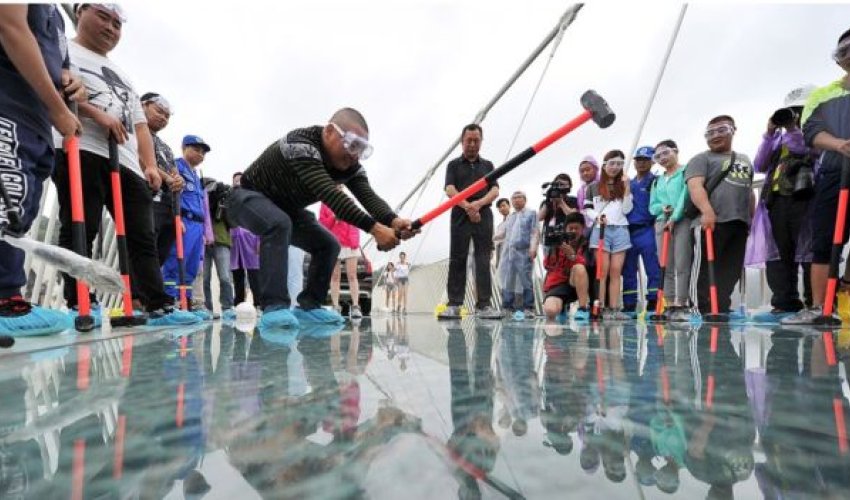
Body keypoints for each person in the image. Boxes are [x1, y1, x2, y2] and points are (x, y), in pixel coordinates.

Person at [52, 4, 198, 326]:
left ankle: (156, 302)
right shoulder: (62, 47)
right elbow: (50, 85)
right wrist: (93, 112)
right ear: (81, 13)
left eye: (117, 24)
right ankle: (78, 300)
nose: (110, 28)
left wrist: (148, 164)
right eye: (103, 18)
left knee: (141, 235)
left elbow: (140, 126)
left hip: (127, 163)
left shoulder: (124, 76)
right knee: (81, 226)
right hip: (80, 147)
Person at [226, 107, 412, 329]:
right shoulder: (300, 144)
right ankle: (274, 306)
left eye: (361, 150)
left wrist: (392, 220)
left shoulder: (349, 165)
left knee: (328, 244)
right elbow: (332, 196)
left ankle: (309, 305)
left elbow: (368, 196)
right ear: (330, 132)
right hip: (245, 197)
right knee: (278, 224)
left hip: (284, 208)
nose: (354, 154)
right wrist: (376, 229)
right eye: (351, 144)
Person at [0, 4, 86, 335]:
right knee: (6, 211)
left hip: (36, 125)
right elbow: (10, 27)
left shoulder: (59, 19)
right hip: (9, 104)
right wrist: (58, 109)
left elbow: (60, 64)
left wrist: (70, 78)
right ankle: (5, 299)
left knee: (20, 214)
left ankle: (9, 298)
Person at [783, 29, 850, 325]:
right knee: (825, 239)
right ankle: (820, 306)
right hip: (837, 172)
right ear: (839, 60)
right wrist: (840, 145)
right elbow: (811, 131)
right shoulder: (825, 95)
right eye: (845, 50)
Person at [753, 86, 817, 320]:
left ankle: (815, 302)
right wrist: (769, 133)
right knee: (780, 253)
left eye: (799, 110)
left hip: (807, 197)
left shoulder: (817, 132)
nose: (795, 115)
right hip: (778, 200)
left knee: (810, 251)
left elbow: (803, 147)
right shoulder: (778, 138)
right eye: (791, 111)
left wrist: (791, 127)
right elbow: (759, 164)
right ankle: (784, 302)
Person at [685, 115, 754, 316]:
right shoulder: (701, 159)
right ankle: (699, 307)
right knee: (705, 269)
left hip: (739, 222)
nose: (715, 136)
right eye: (710, 133)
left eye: (721, 130)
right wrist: (707, 211)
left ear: (733, 130)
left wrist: (751, 218)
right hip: (710, 222)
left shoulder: (745, 159)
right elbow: (695, 186)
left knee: (731, 269)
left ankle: (721, 307)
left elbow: (748, 191)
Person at [438, 124, 502, 320]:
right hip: (460, 215)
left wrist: (479, 204)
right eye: (469, 140)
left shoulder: (488, 165)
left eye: (476, 140)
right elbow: (450, 189)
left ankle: (484, 305)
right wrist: (467, 207)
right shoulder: (453, 165)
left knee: (483, 259)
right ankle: (455, 304)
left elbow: (495, 190)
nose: (472, 144)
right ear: (462, 141)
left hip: (484, 215)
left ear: (481, 141)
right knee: (458, 258)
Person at [161, 135, 212, 319]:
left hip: (197, 226)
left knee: (191, 267)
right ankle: (169, 303)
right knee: (174, 262)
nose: (200, 154)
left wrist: (204, 232)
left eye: (203, 152)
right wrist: (176, 218)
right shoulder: (176, 166)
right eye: (196, 149)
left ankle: (186, 305)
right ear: (184, 148)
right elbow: (169, 194)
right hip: (184, 220)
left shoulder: (197, 176)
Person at [584, 150, 633, 320]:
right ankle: (601, 307)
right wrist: (597, 217)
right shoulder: (592, 187)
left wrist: (627, 189)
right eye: (612, 163)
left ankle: (614, 308)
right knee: (602, 271)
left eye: (619, 164)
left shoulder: (625, 184)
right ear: (604, 165)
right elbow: (587, 209)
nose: (615, 167)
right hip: (600, 230)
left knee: (615, 271)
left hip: (620, 229)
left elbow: (627, 209)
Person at [648, 140, 691, 321]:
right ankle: (669, 302)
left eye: (666, 153)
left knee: (682, 262)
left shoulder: (685, 172)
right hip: (661, 222)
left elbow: (685, 195)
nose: (662, 158)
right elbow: (652, 206)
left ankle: (681, 302)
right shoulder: (657, 181)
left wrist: (675, 216)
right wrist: (663, 208)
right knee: (665, 264)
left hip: (681, 221)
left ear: (676, 151)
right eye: (658, 156)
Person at [142, 92, 184, 265]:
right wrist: (167, 178)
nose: (164, 118)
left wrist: (178, 180)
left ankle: (150, 291)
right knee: (146, 249)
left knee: (161, 254)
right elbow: (140, 160)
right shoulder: (136, 133)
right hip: (148, 198)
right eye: (159, 111)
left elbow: (175, 173)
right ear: (143, 106)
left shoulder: (166, 147)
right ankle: (135, 292)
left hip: (169, 204)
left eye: (167, 116)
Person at [622, 146, 661, 316]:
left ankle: (653, 301)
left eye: (646, 159)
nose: (642, 163)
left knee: (652, 267)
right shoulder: (627, 184)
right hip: (628, 231)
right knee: (628, 269)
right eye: (639, 160)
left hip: (647, 229)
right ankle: (629, 304)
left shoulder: (656, 181)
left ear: (652, 161)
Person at [495, 191, 539, 317]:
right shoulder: (511, 217)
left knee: (526, 280)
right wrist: (490, 238)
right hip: (509, 253)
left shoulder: (531, 213)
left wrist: (533, 247)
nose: (516, 200)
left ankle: (529, 307)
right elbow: (502, 233)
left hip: (524, 251)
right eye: (513, 198)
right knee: (509, 280)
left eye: (519, 197)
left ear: (525, 199)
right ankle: (507, 307)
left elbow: (535, 231)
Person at [541, 212, 591, 322]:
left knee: (579, 268)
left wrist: (572, 255)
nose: (573, 231)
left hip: (578, 282)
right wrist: (553, 249)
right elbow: (547, 266)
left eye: (576, 228)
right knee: (550, 310)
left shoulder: (586, 243)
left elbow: (587, 264)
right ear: (565, 229)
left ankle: (582, 308)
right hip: (559, 283)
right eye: (570, 228)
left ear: (582, 229)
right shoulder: (558, 242)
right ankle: (562, 306)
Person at [319, 199, 363, 319]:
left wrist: (355, 240)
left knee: (352, 275)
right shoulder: (325, 203)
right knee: (334, 276)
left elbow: (356, 221)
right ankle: (335, 306)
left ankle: (355, 306)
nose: (338, 186)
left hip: (350, 242)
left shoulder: (349, 201)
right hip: (333, 242)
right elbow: (322, 224)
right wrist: (333, 217)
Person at [203, 176, 236, 320]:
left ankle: (227, 307)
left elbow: (234, 223)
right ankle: (206, 308)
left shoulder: (224, 202)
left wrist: (223, 207)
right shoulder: (199, 199)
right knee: (204, 278)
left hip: (221, 241)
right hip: (203, 242)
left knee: (225, 277)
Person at [229, 172, 261, 306]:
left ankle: (259, 304)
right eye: (235, 181)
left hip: (251, 242)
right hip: (235, 242)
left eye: (240, 181)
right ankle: (238, 304)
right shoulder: (229, 199)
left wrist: (259, 241)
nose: (238, 183)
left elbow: (260, 221)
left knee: (255, 275)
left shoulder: (253, 200)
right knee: (238, 276)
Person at [576, 156, 600, 227]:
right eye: (582, 171)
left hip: (601, 222)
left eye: (588, 169)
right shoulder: (580, 191)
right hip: (586, 226)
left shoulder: (602, 184)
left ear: (596, 169)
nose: (585, 173)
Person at [493, 197, 511, 268]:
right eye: (499, 207)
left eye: (503, 206)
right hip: (499, 249)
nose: (502, 208)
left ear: (509, 206)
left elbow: (505, 233)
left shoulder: (514, 218)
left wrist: (491, 238)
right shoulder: (499, 225)